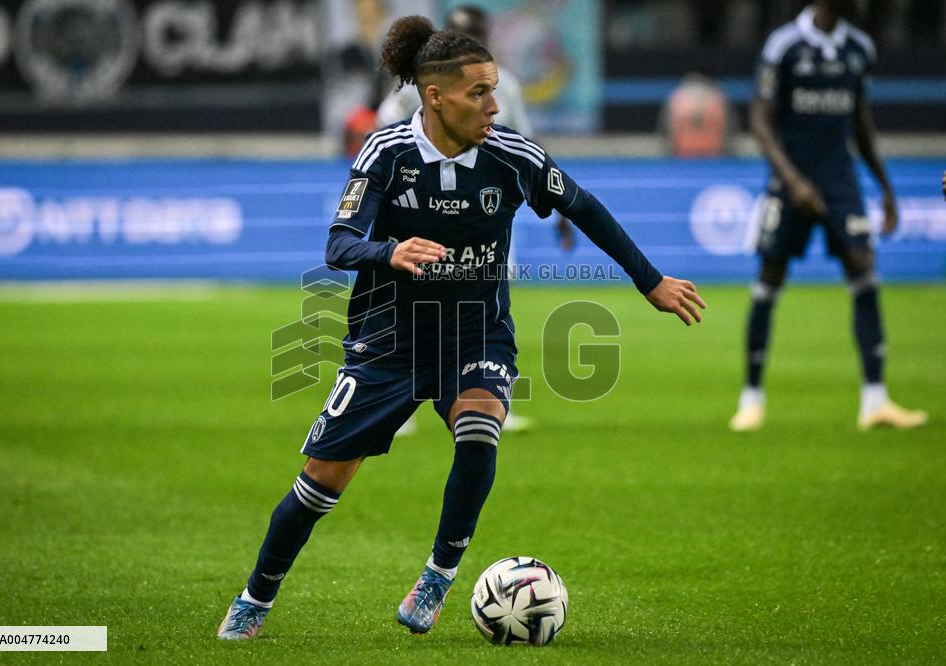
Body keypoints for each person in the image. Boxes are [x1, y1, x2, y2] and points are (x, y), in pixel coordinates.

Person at [218, 15, 705, 640]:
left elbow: (584, 207)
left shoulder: (511, 155)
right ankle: (255, 597)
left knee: (479, 430)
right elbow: (339, 244)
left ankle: (437, 577)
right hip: (386, 342)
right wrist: (387, 252)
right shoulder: (386, 153)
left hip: (476, 334)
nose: (494, 106)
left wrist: (651, 282)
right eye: (480, 93)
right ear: (435, 97)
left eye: (495, 89)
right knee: (320, 486)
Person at [729, 0, 927, 432]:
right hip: (790, 180)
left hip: (841, 181)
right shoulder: (783, 46)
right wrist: (793, 180)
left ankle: (875, 400)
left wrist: (886, 187)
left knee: (864, 269)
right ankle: (751, 399)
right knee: (769, 278)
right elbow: (760, 120)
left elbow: (860, 122)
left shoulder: (860, 48)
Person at [377, 4, 569, 437]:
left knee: (491, 305)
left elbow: (525, 142)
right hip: (423, 212)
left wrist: (556, 207)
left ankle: (491, 393)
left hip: (485, 215)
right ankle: (400, 402)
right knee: (411, 303)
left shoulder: (506, 88)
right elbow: (385, 129)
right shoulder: (422, 85)